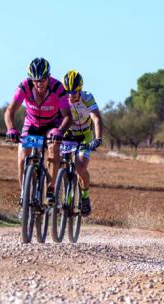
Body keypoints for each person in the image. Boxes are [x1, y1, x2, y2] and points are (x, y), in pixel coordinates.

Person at [4, 57, 72, 212]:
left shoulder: (58, 88)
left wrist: (59, 131)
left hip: (52, 125)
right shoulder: (24, 87)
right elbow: (10, 111)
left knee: (53, 148)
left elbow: (68, 116)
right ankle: (24, 197)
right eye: (35, 81)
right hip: (32, 124)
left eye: (42, 80)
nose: (39, 84)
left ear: (48, 77)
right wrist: (11, 129)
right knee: (22, 157)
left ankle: (50, 189)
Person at [62, 70, 103, 217]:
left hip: (85, 135)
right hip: (68, 133)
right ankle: (64, 193)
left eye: (74, 92)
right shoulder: (62, 98)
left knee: (80, 167)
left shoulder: (87, 98)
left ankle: (85, 196)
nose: (70, 95)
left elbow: (96, 119)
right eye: (68, 92)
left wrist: (97, 139)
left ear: (80, 90)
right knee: (61, 164)